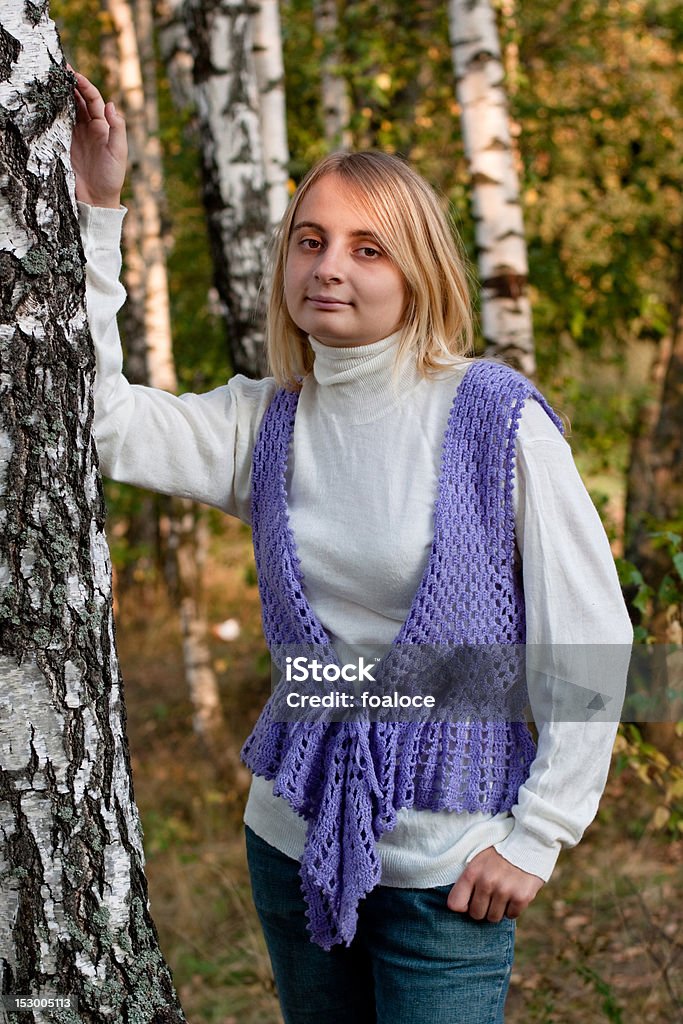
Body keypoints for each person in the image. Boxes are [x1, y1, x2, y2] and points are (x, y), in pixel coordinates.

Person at [71, 71, 633, 1024]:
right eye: (310, 240)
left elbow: (598, 643)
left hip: (451, 873)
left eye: (367, 248)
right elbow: (103, 419)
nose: (329, 266)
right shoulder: (267, 423)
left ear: (418, 271)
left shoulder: (494, 423)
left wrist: (537, 836)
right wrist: (97, 212)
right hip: (290, 843)